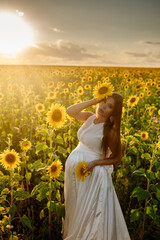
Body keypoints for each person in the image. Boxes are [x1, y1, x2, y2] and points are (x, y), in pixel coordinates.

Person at [61, 92, 131, 240]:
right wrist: (93, 100)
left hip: (92, 175)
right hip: (76, 173)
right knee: (77, 205)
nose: (104, 107)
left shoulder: (110, 131)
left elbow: (117, 158)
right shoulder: (89, 117)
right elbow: (69, 111)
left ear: (114, 112)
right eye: (104, 101)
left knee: (88, 212)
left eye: (110, 106)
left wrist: (95, 163)